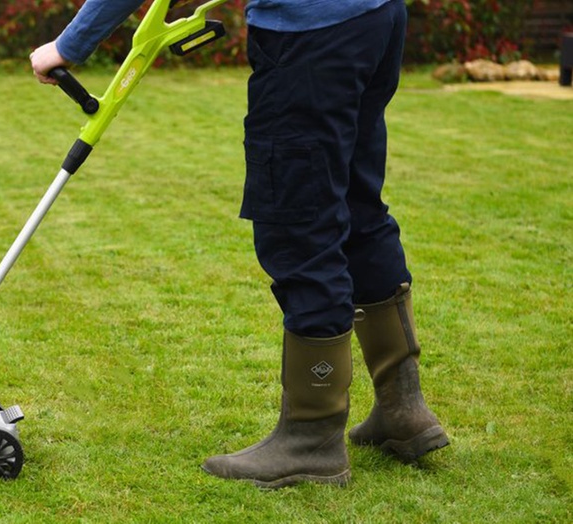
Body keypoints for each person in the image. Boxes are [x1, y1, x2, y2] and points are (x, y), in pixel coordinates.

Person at [30, 0, 448, 489]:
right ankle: (403, 408)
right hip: (374, 18)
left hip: (310, 34)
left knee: (300, 222)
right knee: (357, 206)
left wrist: (68, 45)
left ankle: (311, 440)